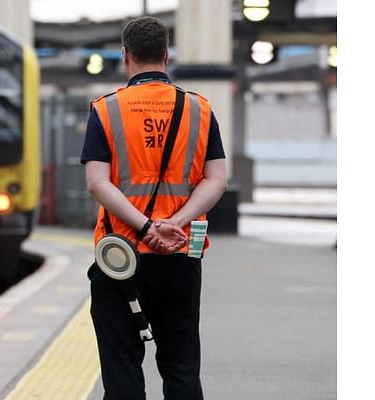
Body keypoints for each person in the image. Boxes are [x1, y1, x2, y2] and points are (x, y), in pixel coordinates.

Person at [81, 16, 228, 400]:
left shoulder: (105, 110)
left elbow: (98, 183)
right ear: (166, 55)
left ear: (125, 56)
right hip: (181, 253)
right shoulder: (200, 109)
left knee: (123, 371)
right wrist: (174, 223)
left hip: (120, 258)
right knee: (181, 369)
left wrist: (146, 228)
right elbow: (216, 179)